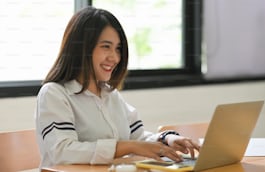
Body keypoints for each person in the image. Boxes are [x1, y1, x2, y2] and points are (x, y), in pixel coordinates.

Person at [35, 6, 200, 169]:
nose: (114, 57)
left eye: (118, 49)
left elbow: (138, 138)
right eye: (106, 46)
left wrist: (167, 139)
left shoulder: (110, 94)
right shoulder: (54, 93)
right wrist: (129, 147)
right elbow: (63, 151)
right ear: (81, 48)